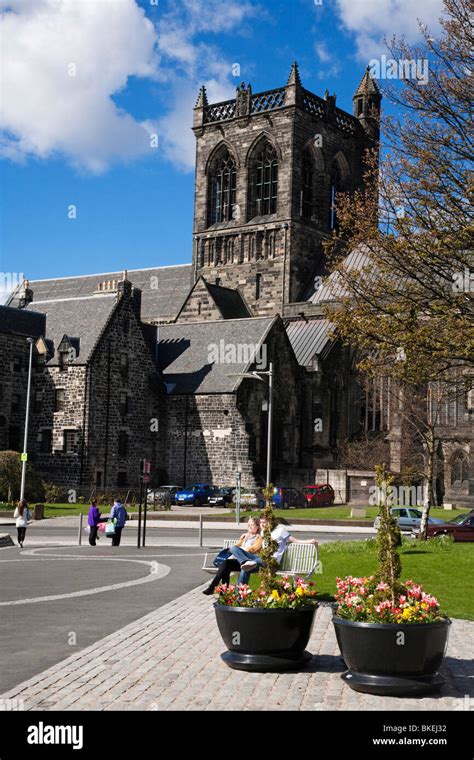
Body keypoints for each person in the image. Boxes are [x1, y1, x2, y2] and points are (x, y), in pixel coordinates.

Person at [237, 514, 319, 585]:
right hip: (262, 562)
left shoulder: (280, 531)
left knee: (252, 563)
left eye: (264, 522)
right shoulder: (263, 532)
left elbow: (294, 540)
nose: (262, 525)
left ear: (270, 522)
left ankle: (251, 562)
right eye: (261, 522)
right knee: (245, 567)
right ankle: (239, 596)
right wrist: (246, 534)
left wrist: (310, 541)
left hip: (273, 562)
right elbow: (254, 534)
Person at [202, 517, 262, 595]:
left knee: (228, 563)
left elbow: (253, 549)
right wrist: (242, 541)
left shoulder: (259, 538)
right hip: (240, 562)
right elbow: (234, 547)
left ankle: (216, 589)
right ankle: (218, 589)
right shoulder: (244, 536)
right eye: (248, 525)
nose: (250, 527)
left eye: (252, 525)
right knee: (226, 564)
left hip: (251, 563)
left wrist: (241, 549)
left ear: (257, 526)